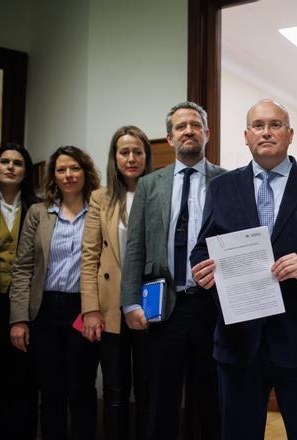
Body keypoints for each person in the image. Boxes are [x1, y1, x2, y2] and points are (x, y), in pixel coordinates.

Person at [190, 99, 297, 439]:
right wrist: (201, 270)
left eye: (275, 124)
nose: (266, 132)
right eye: (258, 125)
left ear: (290, 133)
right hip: (239, 343)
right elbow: (201, 249)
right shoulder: (223, 188)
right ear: (246, 135)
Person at [120, 102, 225, 440]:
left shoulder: (227, 181)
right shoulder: (150, 185)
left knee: (209, 396)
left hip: (211, 303)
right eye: (181, 127)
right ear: (169, 137)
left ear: (207, 133)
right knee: (160, 396)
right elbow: (135, 246)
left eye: (195, 125)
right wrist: (130, 302)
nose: (188, 131)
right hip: (163, 305)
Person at [9, 145, 101, 440]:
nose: (68, 175)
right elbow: (22, 268)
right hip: (45, 309)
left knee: (82, 388)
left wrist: (94, 310)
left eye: (74, 168)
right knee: (51, 390)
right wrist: (19, 319)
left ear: (85, 172)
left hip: (83, 309)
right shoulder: (38, 212)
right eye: (61, 170)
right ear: (53, 176)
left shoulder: (98, 209)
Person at [80, 126, 152, 439]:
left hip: (150, 304)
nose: (131, 158)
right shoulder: (100, 198)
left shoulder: (158, 191)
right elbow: (90, 256)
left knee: (150, 390)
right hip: (110, 307)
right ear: (115, 157)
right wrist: (90, 309)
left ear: (146, 155)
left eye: (137, 151)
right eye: (124, 152)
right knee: (115, 390)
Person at [0, 143, 39, 439]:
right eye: (4, 161)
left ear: (25, 171)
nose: (10, 167)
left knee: (23, 376)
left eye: (17, 163)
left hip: (28, 304)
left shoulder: (38, 208)